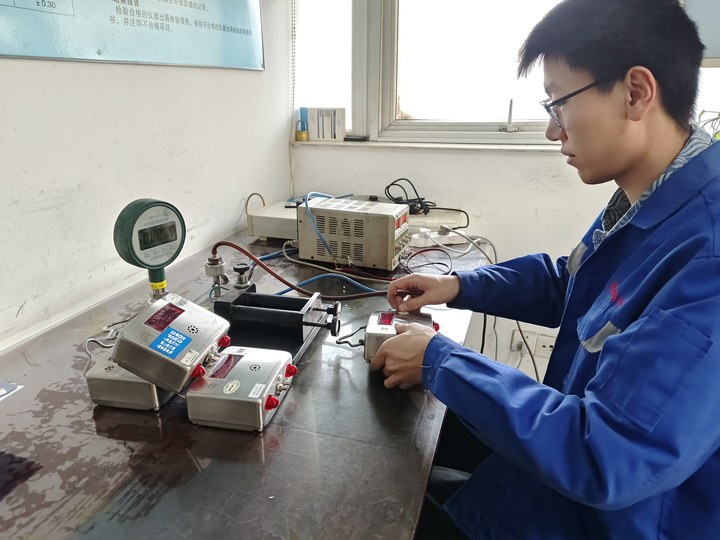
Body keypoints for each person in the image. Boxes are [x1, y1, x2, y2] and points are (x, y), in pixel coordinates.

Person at [369, 0, 720, 538]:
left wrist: (440, 360)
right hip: (560, 490)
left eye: (559, 104)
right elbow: (573, 282)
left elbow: (606, 453)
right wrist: (457, 285)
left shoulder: (707, 258)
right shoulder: (656, 198)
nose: (554, 132)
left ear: (635, 92)